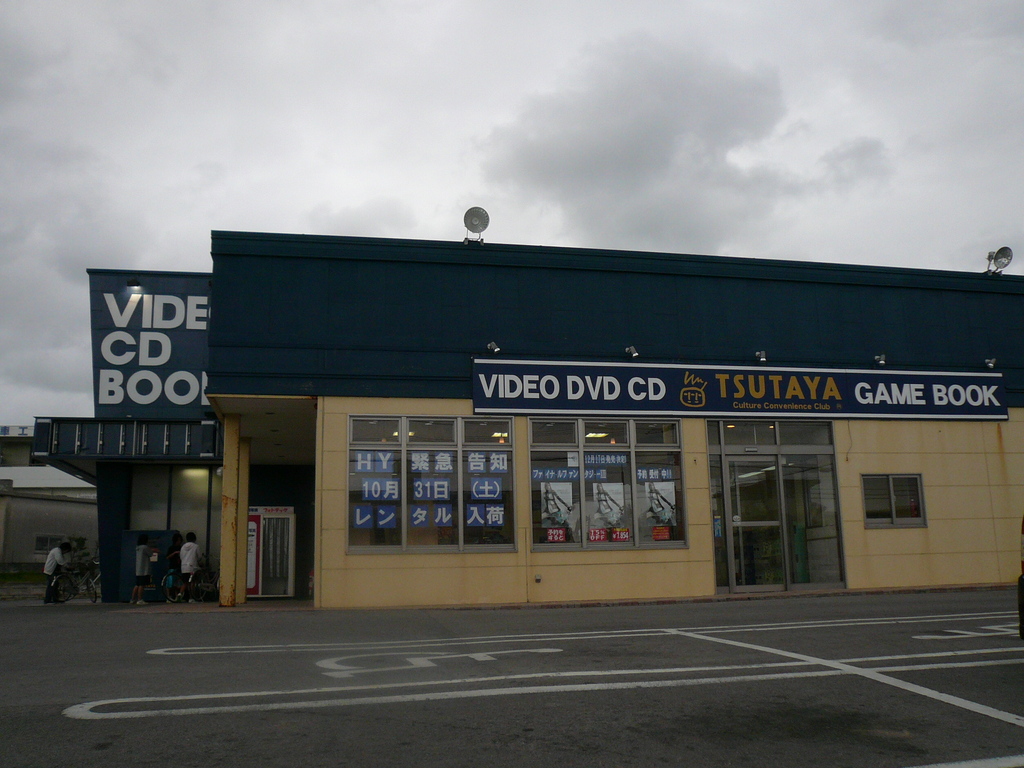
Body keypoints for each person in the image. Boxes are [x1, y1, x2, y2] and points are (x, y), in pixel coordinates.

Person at [130, 534, 155, 605]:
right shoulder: (145, 547)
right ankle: (140, 599)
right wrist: (153, 550)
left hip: (138, 569)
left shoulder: (138, 547)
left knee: (137, 584)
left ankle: (132, 599)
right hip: (144, 569)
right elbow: (150, 554)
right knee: (142, 585)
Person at [179, 532, 200, 602]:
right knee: (192, 583)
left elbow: (181, 557)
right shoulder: (196, 546)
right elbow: (199, 557)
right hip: (192, 567)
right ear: (194, 539)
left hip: (184, 567)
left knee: (185, 582)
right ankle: (191, 598)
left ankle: (179, 594)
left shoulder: (182, 547)